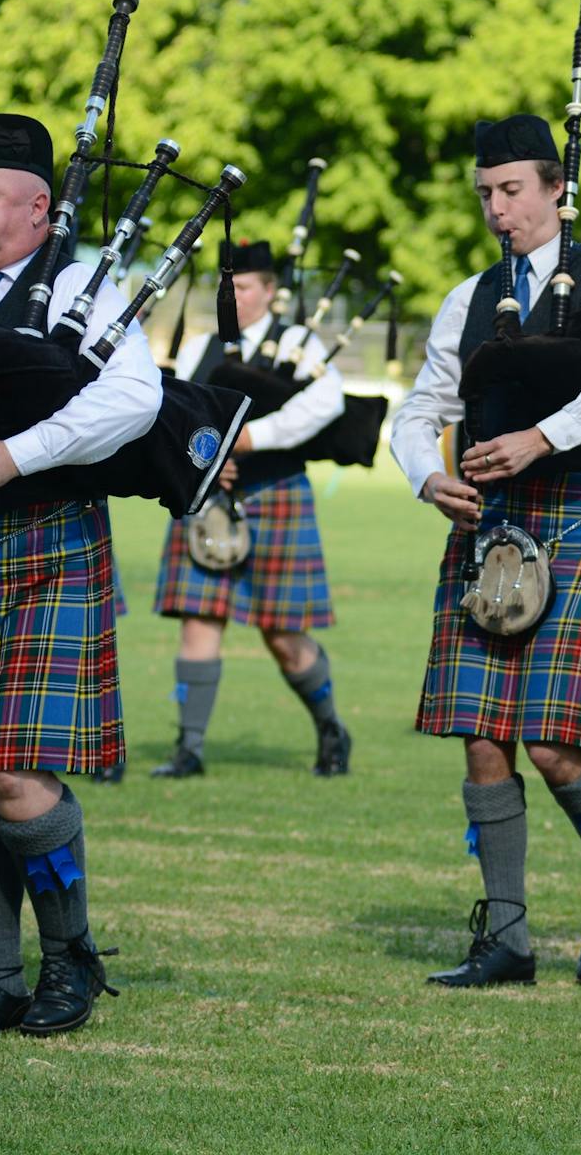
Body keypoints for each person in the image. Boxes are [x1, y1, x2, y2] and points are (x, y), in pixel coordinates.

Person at [390, 113, 581, 988]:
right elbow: (419, 408)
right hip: (488, 522)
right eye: (485, 195)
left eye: (512, 191)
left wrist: (543, 437)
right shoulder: (466, 298)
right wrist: (425, 479)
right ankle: (505, 936)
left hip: (573, 506)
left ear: (555, 189)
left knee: (552, 746)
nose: (498, 210)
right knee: (481, 737)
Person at [0, 113, 157, 1036]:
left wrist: (15, 456)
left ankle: (70, 959)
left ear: (40, 207)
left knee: (20, 776)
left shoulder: (89, 291)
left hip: (48, 543)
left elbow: (133, 399)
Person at [148, 239, 352, 780]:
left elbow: (324, 404)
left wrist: (249, 440)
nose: (232, 296)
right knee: (199, 619)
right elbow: (180, 406)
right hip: (211, 494)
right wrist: (210, 457)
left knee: (282, 635)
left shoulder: (300, 343)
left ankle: (331, 725)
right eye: (227, 286)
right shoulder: (200, 345)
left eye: (242, 287)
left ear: (269, 291)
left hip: (275, 491)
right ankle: (188, 749)